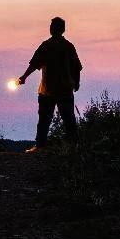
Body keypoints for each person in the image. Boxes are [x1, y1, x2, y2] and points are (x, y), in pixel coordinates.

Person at [16, 17, 82, 152]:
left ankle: (40, 146)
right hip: (65, 89)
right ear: (63, 29)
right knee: (68, 119)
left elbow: (34, 64)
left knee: (45, 119)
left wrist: (24, 77)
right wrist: (76, 82)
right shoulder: (69, 46)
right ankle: (73, 146)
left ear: (52, 29)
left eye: (52, 26)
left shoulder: (47, 46)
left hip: (48, 90)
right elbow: (77, 67)